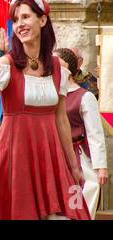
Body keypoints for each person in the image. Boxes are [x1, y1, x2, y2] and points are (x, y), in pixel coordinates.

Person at [0, 0, 91, 220]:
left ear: (42, 20)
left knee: (68, 214)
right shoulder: (6, 64)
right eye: (15, 20)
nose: (19, 24)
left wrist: (73, 165)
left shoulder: (57, 66)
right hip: (16, 154)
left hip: (51, 155)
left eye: (25, 17)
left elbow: (61, 118)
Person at [54, 48, 108, 219]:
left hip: (77, 157)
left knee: (76, 204)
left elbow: (95, 133)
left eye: (56, 63)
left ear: (67, 68)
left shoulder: (84, 97)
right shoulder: (50, 95)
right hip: (54, 156)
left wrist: (101, 167)